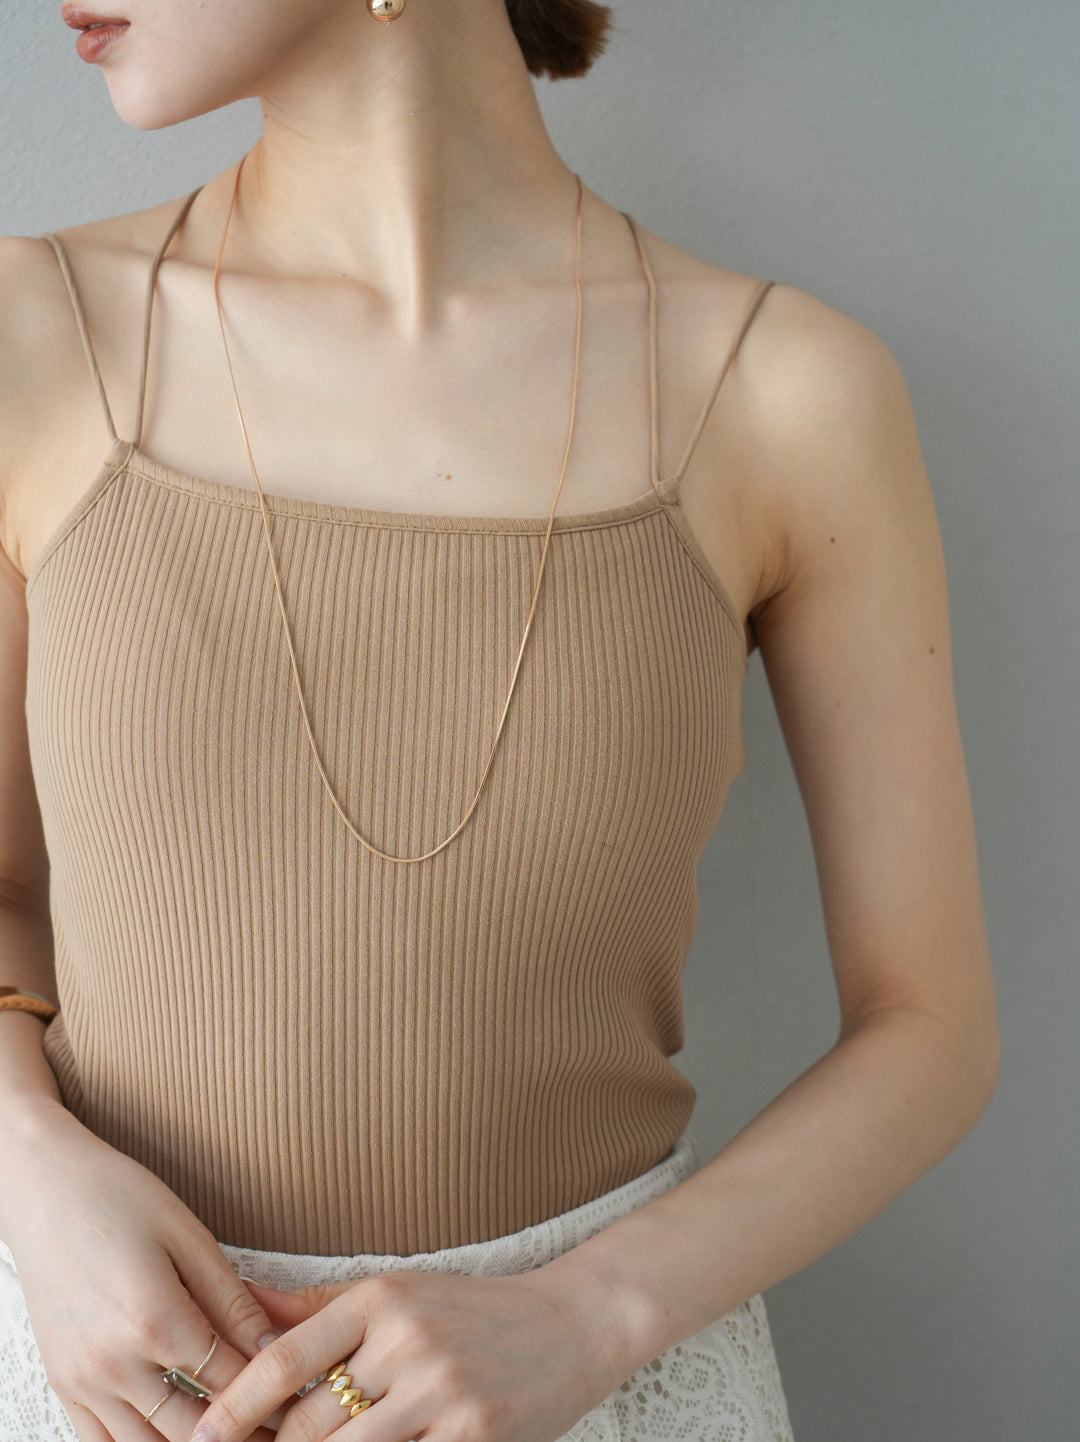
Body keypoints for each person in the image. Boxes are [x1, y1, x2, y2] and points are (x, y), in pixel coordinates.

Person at [0, 1, 1000, 1439]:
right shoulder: (30, 333)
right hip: (119, 1374)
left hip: (593, 1380)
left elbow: (929, 1024)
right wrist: (28, 1174)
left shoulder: (781, 391)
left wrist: (588, 1316)